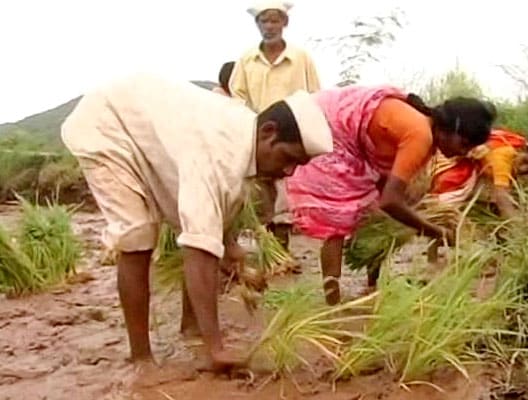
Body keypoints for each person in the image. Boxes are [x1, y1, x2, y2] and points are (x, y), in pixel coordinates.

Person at [60, 73, 333, 372]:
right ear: (269, 132)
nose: (289, 171)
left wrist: (232, 250)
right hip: (106, 124)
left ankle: (192, 328)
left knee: (203, 235)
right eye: (289, 158)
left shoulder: (244, 135)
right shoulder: (219, 156)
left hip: (146, 126)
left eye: (299, 165)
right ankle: (142, 360)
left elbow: (216, 222)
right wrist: (217, 349)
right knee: (137, 234)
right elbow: (200, 249)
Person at [285, 85, 496, 305]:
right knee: (338, 218)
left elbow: (385, 191)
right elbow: (391, 201)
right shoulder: (420, 135)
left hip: (346, 135)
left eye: (470, 147)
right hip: (328, 127)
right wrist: (435, 230)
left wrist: (389, 213)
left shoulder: (426, 135)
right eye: (463, 144)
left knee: (379, 222)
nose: (464, 152)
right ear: (449, 129)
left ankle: (371, 286)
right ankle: (333, 305)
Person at [229, 0, 321, 250]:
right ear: (257, 24)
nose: (269, 26)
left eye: (274, 20)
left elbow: (314, 95)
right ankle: (265, 254)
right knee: (259, 195)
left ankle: (283, 252)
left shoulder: (300, 58)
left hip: (291, 136)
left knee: (285, 197)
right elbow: (237, 97)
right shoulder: (248, 59)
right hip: (258, 135)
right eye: (264, 21)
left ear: (284, 23)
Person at [430, 129, 528, 219]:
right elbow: (502, 196)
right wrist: (518, 227)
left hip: (477, 178)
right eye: (526, 161)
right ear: (523, 149)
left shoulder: (513, 158)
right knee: (442, 213)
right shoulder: (504, 155)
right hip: (446, 170)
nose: (524, 169)